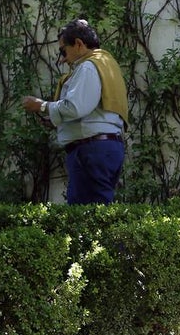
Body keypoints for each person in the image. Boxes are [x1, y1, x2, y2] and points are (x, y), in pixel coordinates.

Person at [22, 19, 128, 204]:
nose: (62, 59)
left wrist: (41, 106)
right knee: (97, 211)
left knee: (86, 217)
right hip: (105, 147)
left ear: (78, 44)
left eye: (63, 50)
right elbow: (93, 110)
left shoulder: (88, 66)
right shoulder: (106, 63)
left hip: (90, 150)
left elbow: (75, 107)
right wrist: (55, 119)